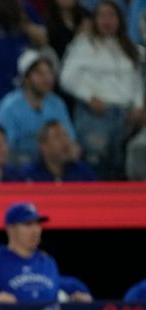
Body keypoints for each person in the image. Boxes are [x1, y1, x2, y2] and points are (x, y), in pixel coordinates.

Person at [59, 0, 146, 179]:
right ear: (95, 20)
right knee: (97, 168)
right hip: (96, 115)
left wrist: (138, 105)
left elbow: (135, 78)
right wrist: (89, 97)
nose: (107, 21)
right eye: (102, 16)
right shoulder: (84, 44)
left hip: (126, 117)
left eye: (111, 16)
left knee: (122, 169)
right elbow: (66, 77)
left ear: (120, 20)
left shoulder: (127, 47)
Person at [0, 47, 77, 169]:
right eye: (39, 73)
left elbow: (71, 140)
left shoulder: (57, 104)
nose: (47, 78)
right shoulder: (9, 107)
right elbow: (4, 148)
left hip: (53, 164)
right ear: (26, 78)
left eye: (49, 73)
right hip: (19, 165)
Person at [22, 120, 98, 181]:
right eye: (57, 136)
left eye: (65, 135)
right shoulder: (29, 175)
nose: (64, 141)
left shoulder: (83, 172)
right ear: (43, 146)